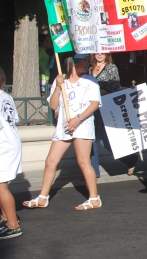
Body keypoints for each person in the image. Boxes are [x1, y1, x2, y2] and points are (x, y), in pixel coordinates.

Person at [23, 55, 102, 210]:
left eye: (87, 60)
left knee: (83, 161)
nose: (87, 63)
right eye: (84, 61)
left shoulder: (90, 80)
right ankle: (43, 197)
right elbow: (53, 106)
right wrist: (58, 86)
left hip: (82, 125)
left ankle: (94, 198)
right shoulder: (61, 80)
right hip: (64, 127)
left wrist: (78, 119)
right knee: (51, 161)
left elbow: (95, 104)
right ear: (72, 63)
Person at [88, 52, 136, 177]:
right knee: (90, 140)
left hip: (106, 107)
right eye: (97, 52)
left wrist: (96, 91)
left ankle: (130, 159)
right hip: (91, 108)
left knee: (105, 141)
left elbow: (115, 87)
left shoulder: (111, 67)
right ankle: (92, 171)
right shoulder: (89, 68)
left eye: (102, 52)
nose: (99, 54)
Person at [0, 67, 22, 239]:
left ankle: (13, 226)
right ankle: (6, 218)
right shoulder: (6, 96)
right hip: (11, 141)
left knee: (1, 187)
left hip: (4, 144)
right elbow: (15, 119)